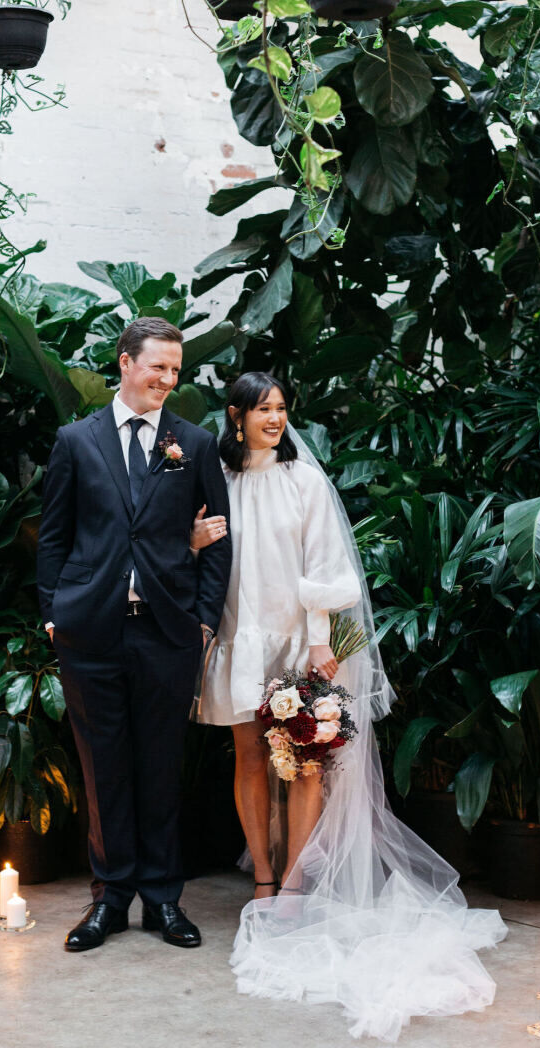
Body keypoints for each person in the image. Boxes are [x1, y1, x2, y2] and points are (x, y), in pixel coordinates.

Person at [192, 372, 507, 1041]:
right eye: (263, 410)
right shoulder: (216, 480)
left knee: (303, 762)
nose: (275, 420)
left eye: (282, 408)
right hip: (237, 635)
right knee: (249, 755)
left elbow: (325, 564)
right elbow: (198, 556)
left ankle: (299, 886)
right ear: (236, 415)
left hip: (294, 644)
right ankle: (265, 881)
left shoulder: (303, 481)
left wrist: (317, 644)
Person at [37, 316, 231, 953]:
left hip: (167, 633)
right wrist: (52, 611)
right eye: (159, 367)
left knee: (160, 770)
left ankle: (164, 900)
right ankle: (110, 900)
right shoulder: (75, 440)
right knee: (105, 773)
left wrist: (203, 618)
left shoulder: (194, 444)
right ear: (125, 362)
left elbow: (218, 538)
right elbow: (55, 537)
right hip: (89, 632)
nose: (169, 380)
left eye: (176, 370)